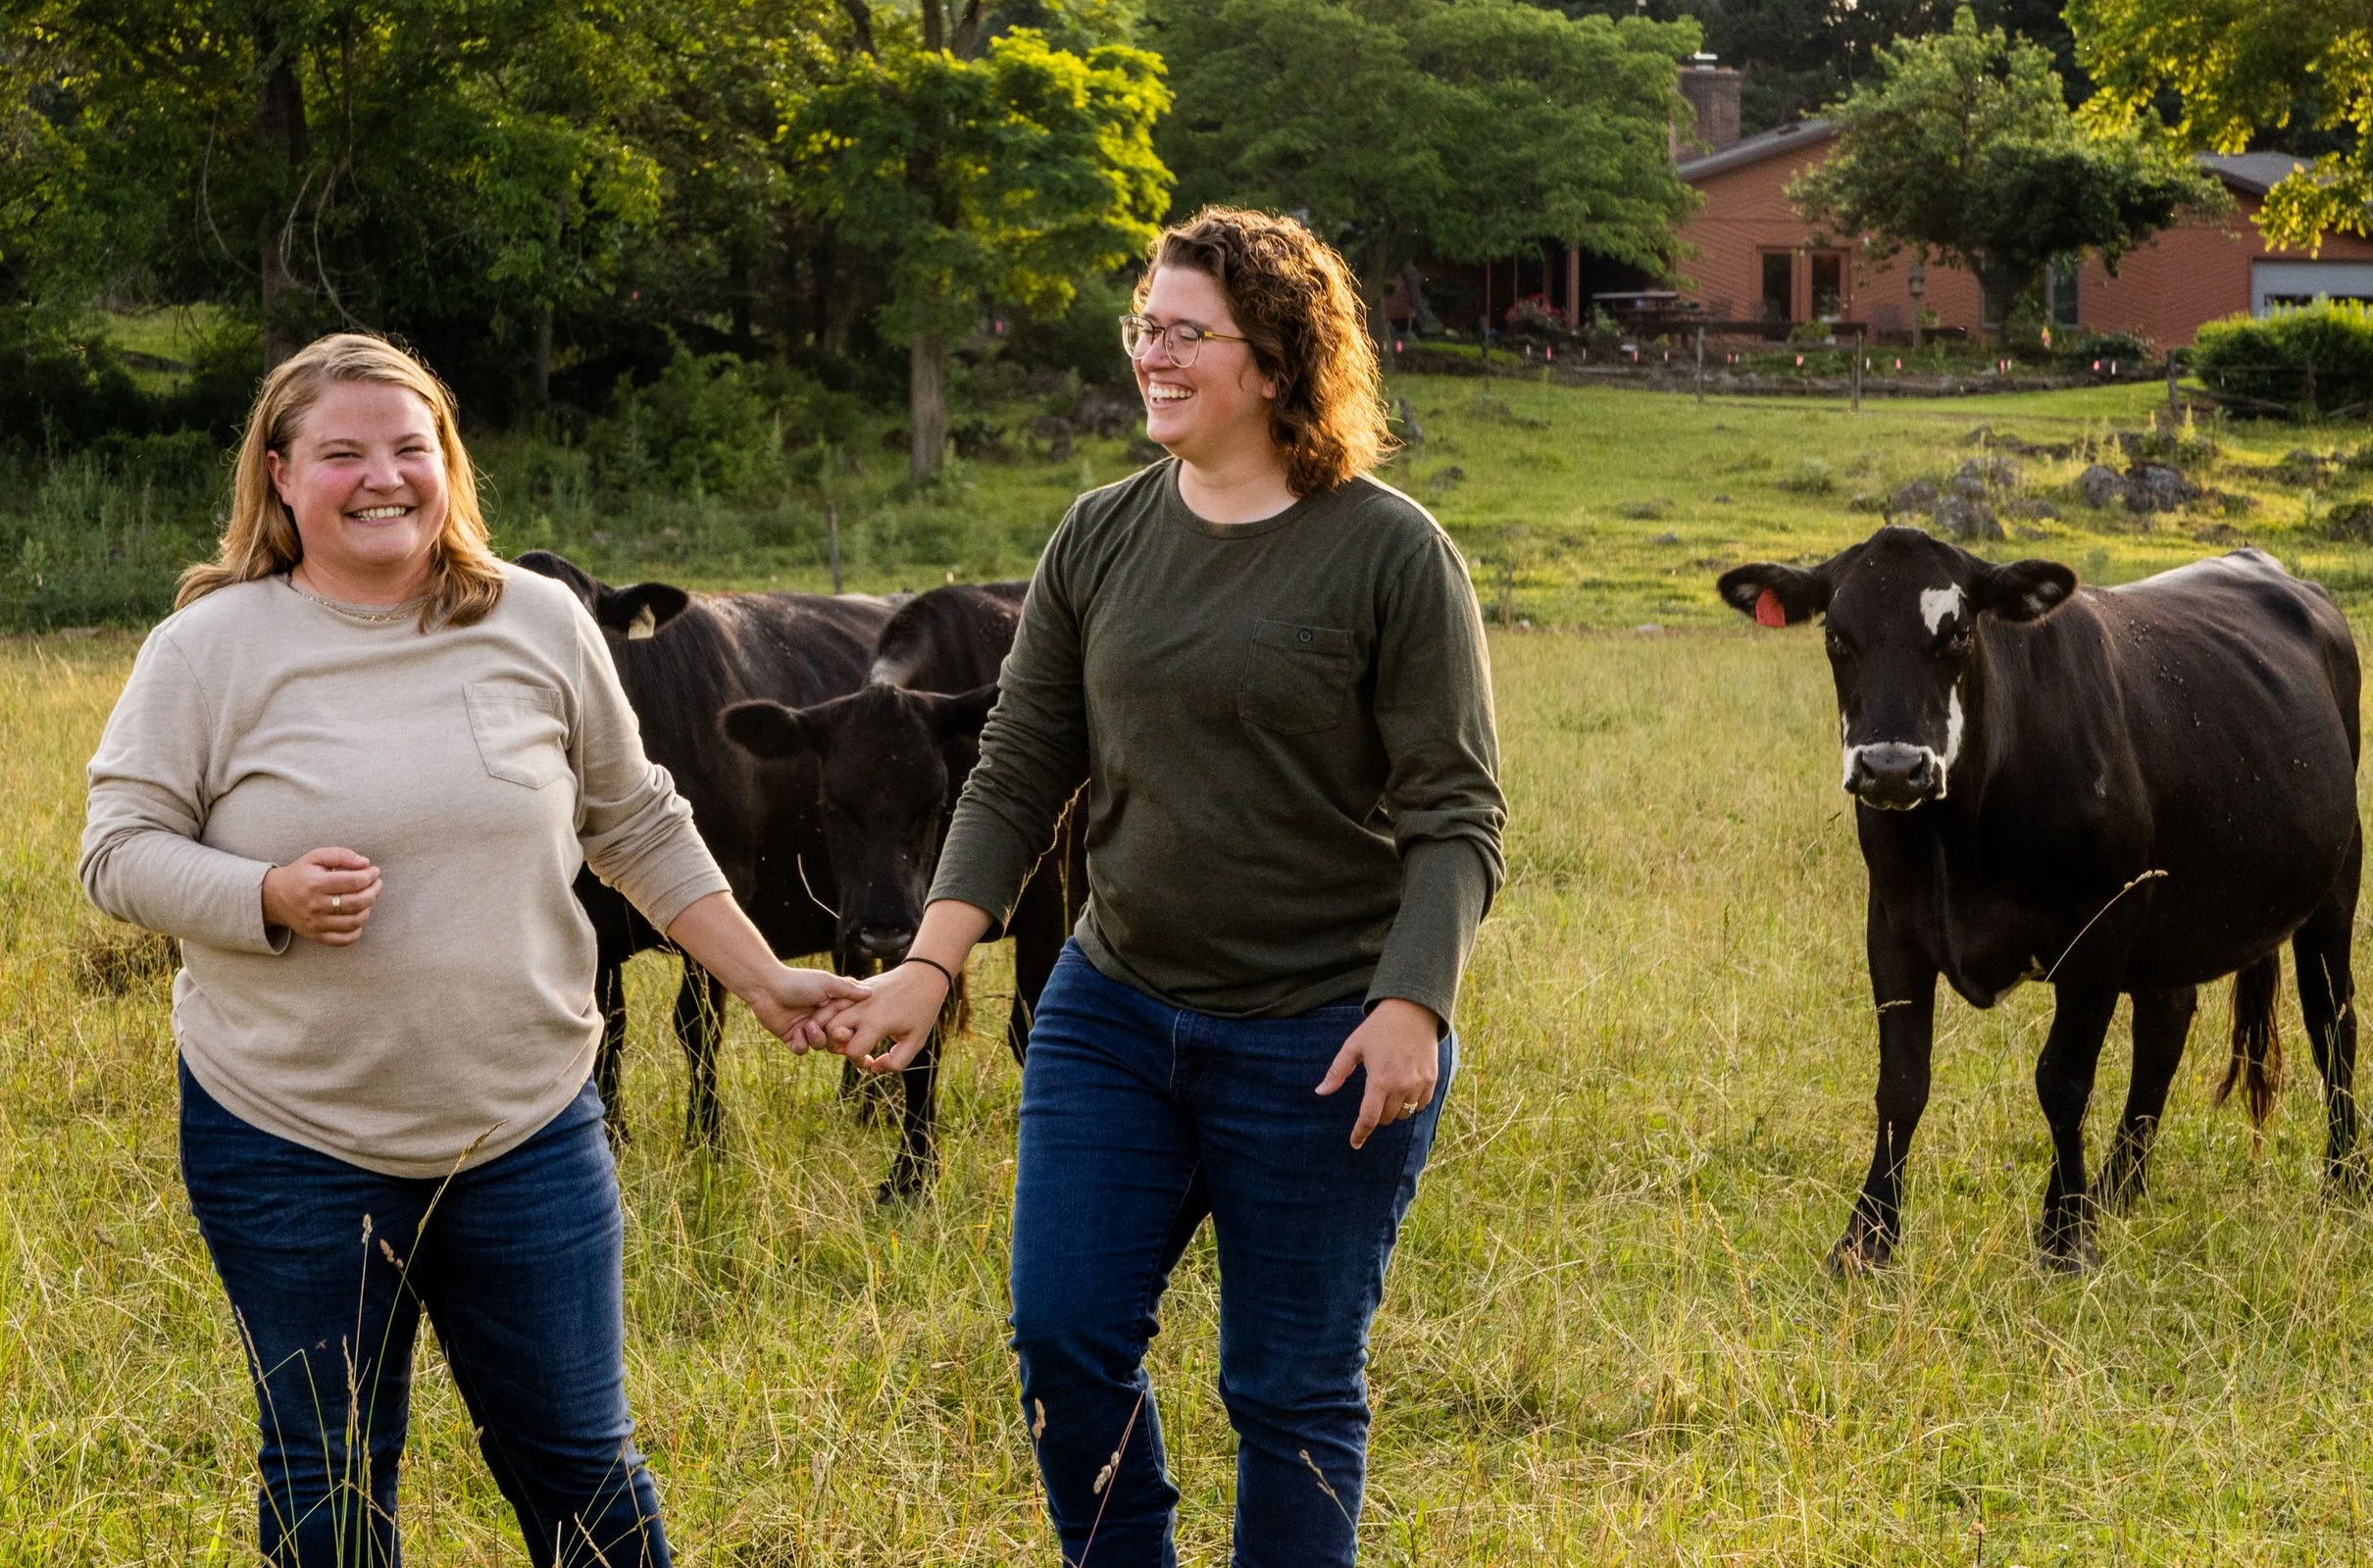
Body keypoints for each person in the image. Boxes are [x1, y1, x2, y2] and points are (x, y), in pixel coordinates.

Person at [78, 332, 865, 1567]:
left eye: (411, 447)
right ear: (280, 475)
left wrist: (764, 980)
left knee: (580, 1467)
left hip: (528, 1133)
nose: (382, 476)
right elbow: (116, 850)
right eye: (342, 452)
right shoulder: (209, 650)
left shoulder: (540, 622)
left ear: (448, 462)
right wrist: (265, 893)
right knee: (326, 1477)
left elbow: (638, 821)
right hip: (287, 1138)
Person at [822, 206, 1506, 1565]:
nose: (1155, 355)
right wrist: (932, 961)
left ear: (1276, 360)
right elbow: (1018, 765)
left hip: (1322, 1031)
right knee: (1064, 1343)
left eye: (1188, 333)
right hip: (1116, 1010)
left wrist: (1413, 1005)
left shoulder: (1389, 552)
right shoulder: (1100, 536)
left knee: (1290, 1391)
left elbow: (1456, 814)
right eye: (1146, 327)